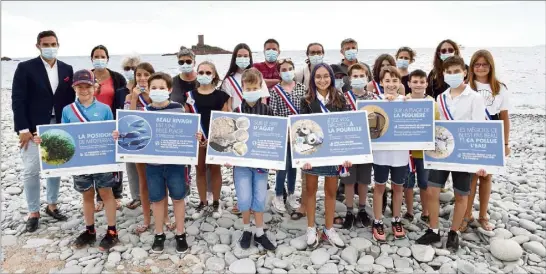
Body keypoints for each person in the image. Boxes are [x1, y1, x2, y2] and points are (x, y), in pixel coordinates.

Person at [34, 69, 119, 250]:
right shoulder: (67, 110)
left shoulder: (104, 109)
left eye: (87, 86)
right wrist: (43, 140)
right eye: (80, 86)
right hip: (80, 162)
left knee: (106, 193)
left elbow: (111, 132)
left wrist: (115, 135)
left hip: (100, 159)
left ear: (95, 87)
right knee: (87, 194)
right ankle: (90, 230)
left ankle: (112, 230)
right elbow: (63, 136)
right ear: (74, 88)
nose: (84, 90)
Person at [416, 56, 487, 251]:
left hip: (463, 154)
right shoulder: (441, 97)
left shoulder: (475, 98)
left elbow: (479, 130)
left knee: (461, 194)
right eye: (449, 72)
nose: (453, 75)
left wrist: (480, 161)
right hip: (443, 151)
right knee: (432, 190)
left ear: (465, 72)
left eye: (456, 71)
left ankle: (454, 232)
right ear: (444, 75)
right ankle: (434, 230)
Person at [114, 72, 190, 253]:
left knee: (178, 198)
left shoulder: (178, 108)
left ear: (169, 90)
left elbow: (186, 132)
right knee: (156, 199)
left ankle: (180, 233)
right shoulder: (144, 112)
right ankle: (159, 234)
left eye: (162, 88)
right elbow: (132, 133)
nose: (158, 91)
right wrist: (119, 135)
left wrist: (194, 135)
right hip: (153, 166)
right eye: (154, 88)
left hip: (176, 165)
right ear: (148, 89)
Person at [12, 30, 72, 232]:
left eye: (53, 43)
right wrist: (23, 128)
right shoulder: (25, 68)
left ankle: (52, 205)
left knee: (54, 168)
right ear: (38, 46)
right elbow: (18, 100)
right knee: (31, 170)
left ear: (58, 44)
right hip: (32, 127)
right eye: (45, 44)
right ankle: (33, 212)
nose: (49, 47)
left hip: (58, 125)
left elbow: (70, 99)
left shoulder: (67, 68)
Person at [220, 68, 276, 250]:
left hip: (261, 164)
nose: (251, 91)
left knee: (259, 197)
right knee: (244, 198)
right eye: (248, 88)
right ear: (242, 88)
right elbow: (229, 138)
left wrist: (275, 159)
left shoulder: (268, 110)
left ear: (261, 87)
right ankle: (246, 229)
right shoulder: (236, 111)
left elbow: (275, 139)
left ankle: (259, 232)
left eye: (255, 88)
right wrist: (227, 156)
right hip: (241, 165)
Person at [301, 63, 352, 249]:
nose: (322, 80)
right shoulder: (306, 100)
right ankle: (311, 227)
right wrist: (303, 157)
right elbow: (301, 129)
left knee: (331, 192)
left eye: (326, 76)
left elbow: (345, 127)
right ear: (313, 79)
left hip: (334, 153)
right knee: (311, 190)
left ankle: (329, 228)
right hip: (314, 153)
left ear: (331, 77)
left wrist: (347, 154)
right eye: (318, 77)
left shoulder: (340, 98)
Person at [460, 50, 511, 232]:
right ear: (472, 66)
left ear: (491, 66)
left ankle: (483, 215)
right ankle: (466, 214)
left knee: (487, 176)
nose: (481, 67)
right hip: (472, 134)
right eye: (477, 64)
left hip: (492, 135)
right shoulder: (466, 86)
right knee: (472, 177)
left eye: (485, 64)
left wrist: (505, 143)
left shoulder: (499, 87)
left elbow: (504, 116)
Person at [124, 62, 173, 234]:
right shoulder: (130, 97)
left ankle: (165, 216)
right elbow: (128, 120)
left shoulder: (158, 94)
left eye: (146, 75)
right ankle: (146, 218)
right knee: (143, 183)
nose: (142, 78)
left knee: (163, 182)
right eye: (139, 75)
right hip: (141, 144)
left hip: (159, 146)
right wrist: (135, 98)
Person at [186, 61, 230, 219]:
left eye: (208, 72)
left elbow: (225, 120)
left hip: (215, 139)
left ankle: (216, 202)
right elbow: (188, 119)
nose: (204, 75)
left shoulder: (222, 96)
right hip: (197, 139)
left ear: (214, 75)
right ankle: (203, 202)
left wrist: (212, 138)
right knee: (200, 170)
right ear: (196, 74)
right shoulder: (190, 96)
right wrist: (196, 136)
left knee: (215, 170)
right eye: (201, 72)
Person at [370, 66, 409, 242]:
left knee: (398, 187)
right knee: (379, 187)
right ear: (380, 82)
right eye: (387, 80)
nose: (391, 84)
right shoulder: (374, 101)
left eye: (395, 80)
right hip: (380, 153)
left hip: (400, 153)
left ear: (400, 82)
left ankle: (396, 219)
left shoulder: (406, 101)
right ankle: (377, 221)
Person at [341, 63, 378, 229]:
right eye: (355, 76)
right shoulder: (342, 98)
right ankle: (349, 210)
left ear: (367, 78)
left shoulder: (374, 98)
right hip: (348, 145)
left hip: (367, 146)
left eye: (361, 76)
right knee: (349, 181)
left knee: (364, 180)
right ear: (349, 78)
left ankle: (362, 209)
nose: (358, 79)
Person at [89, 45, 127, 211]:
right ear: (91, 59)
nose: (99, 59)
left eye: (102, 56)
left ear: (107, 58)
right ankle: (100, 196)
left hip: (112, 122)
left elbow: (123, 97)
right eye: (96, 56)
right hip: (91, 123)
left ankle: (117, 194)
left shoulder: (116, 77)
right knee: (96, 160)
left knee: (115, 160)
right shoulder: (86, 76)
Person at [403, 69, 440, 224]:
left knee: (424, 183)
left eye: (422, 82)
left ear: (426, 83)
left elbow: (437, 126)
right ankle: (410, 211)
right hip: (408, 152)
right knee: (408, 183)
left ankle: (425, 211)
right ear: (409, 83)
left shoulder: (432, 103)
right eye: (415, 82)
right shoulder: (403, 100)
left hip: (425, 152)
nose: (418, 85)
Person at [269, 59, 306, 215]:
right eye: (284, 69)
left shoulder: (302, 88)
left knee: (293, 166)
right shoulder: (275, 91)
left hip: (299, 134)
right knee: (282, 167)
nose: (287, 72)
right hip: (283, 133)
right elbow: (274, 114)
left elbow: (305, 110)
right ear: (279, 72)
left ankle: (291, 194)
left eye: (290, 68)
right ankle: (278, 195)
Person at [119, 55, 142, 209]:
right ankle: (136, 196)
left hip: (142, 131)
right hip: (126, 132)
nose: (130, 71)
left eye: (134, 69)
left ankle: (149, 196)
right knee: (131, 167)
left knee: (145, 167)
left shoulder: (147, 89)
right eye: (127, 68)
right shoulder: (120, 90)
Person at [222, 43, 269, 111]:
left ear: (250, 58)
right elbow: (229, 107)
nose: (243, 58)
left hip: (256, 116)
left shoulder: (258, 76)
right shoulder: (228, 80)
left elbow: (263, 100)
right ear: (235, 58)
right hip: (238, 117)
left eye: (246, 56)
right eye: (239, 56)